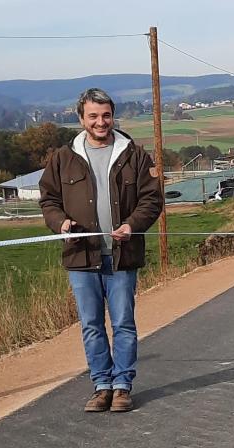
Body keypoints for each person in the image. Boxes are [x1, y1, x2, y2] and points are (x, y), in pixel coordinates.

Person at [39, 88, 163, 412]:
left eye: (105, 115)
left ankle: (122, 385)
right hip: (81, 256)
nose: (100, 122)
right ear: (81, 118)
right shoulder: (62, 159)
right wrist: (61, 223)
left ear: (113, 116)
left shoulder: (134, 154)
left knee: (123, 322)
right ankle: (101, 385)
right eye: (93, 116)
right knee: (91, 324)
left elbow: (152, 199)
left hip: (122, 255)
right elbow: (48, 200)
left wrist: (132, 225)